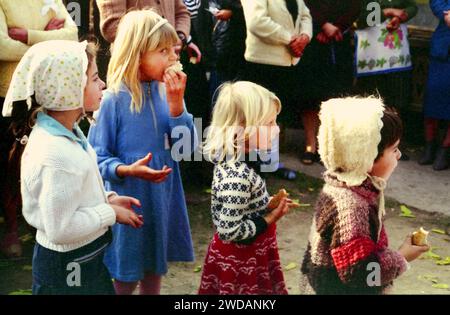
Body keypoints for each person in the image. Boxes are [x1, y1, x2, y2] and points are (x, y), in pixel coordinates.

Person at [2, 40, 143, 294]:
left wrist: (107, 198)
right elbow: (61, 229)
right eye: (95, 78)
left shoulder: (70, 132)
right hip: (66, 270)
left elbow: (76, 190)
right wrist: (109, 213)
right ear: (67, 90)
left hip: (86, 260)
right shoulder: (55, 154)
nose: (103, 85)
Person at [88, 10, 197, 295]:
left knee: (154, 270)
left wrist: (177, 106)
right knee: (125, 275)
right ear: (136, 54)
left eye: (173, 50)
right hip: (130, 200)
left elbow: (187, 149)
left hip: (162, 198)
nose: (172, 58)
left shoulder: (168, 93)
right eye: (162, 51)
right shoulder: (112, 100)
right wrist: (125, 169)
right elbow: (95, 159)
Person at [300, 97, 429, 294]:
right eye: (394, 149)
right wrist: (402, 257)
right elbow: (360, 275)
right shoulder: (351, 206)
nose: (399, 155)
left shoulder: (344, 187)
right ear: (365, 156)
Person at [199, 81, 297, 295]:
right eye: (269, 123)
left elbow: (243, 204)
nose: (277, 129)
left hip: (252, 255)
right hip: (240, 264)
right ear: (241, 129)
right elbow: (229, 230)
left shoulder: (240, 161)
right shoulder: (238, 176)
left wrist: (268, 203)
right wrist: (271, 217)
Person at [0, 0, 79, 258]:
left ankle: (43, 225)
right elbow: (2, 46)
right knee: (10, 161)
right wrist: (49, 39)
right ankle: (12, 228)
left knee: (43, 161)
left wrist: (28, 35)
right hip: (11, 95)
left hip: (45, 93)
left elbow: (72, 35)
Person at [240, 0, 313, 180]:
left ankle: (270, 164)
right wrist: (290, 39)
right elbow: (257, 21)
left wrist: (304, 37)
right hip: (262, 63)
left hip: (287, 62)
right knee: (257, 118)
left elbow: (305, 15)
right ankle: (252, 167)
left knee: (275, 119)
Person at [298, 0, 361, 165]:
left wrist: (337, 27)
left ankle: (326, 147)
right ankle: (310, 145)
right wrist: (322, 26)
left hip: (340, 39)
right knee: (310, 94)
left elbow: (356, 6)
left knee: (334, 96)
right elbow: (305, 4)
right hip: (312, 38)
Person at [356, 0, 418, 161]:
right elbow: (363, 19)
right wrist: (388, 12)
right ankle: (368, 145)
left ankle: (392, 145)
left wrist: (401, 16)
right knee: (371, 100)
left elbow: (412, 6)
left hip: (395, 55)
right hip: (371, 55)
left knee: (396, 99)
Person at [418, 0, 450, 171]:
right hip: (442, 51)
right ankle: (429, 146)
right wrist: (447, 12)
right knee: (432, 99)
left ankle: (444, 151)